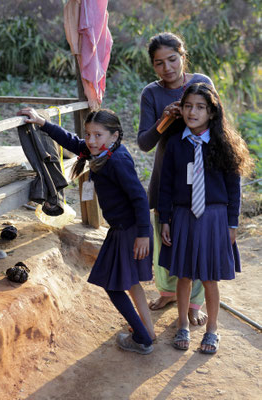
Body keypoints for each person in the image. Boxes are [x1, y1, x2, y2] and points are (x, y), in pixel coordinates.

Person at [18, 107, 156, 355]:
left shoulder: (117, 161)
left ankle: (142, 338)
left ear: (114, 136)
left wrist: (144, 234)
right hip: (124, 229)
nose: (91, 140)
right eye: (89, 134)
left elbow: (139, 198)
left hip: (129, 231)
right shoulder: (102, 152)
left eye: (98, 135)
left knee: (114, 286)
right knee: (132, 282)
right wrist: (42, 123)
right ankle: (148, 330)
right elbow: (71, 140)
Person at [158, 82, 253, 353]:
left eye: (200, 107)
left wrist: (231, 223)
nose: (192, 112)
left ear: (212, 112)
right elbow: (166, 185)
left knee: (210, 277)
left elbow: (233, 189)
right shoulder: (175, 144)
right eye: (187, 106)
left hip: (214, 218)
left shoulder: (224, 146)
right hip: (183, 216)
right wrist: (165, 218)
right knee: (184, 275)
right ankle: (182, 325)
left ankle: (212, 329)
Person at [138, 32, 214, 325]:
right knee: (164, 237)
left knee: (195, 237)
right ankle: (169, 292)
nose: (167, 67)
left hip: (199, 173)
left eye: (172, 59)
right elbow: (144, 143)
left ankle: (194, 303)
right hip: (166, 176)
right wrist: (165, 120)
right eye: (159, 63)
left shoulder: (202, 83)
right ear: (153, 66)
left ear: (184, 56)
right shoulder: (152, 93)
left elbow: (217, 123)